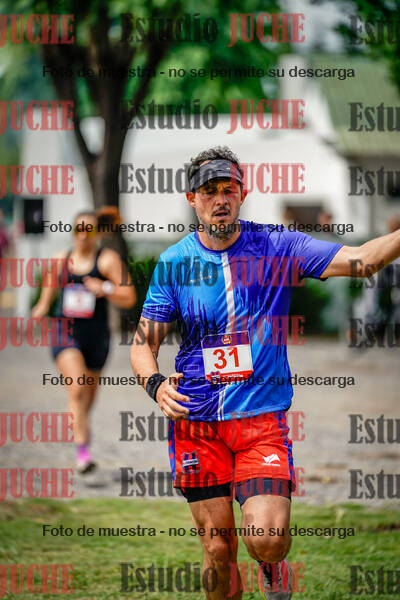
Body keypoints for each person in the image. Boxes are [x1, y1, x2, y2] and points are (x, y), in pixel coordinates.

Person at [130, 146, 400, 599]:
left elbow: (363, 260)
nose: (220, 199)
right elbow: (143, 343)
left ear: (243, 193)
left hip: (260, 422)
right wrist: (155, 385)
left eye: (228, 189)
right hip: (197, 423)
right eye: (209, 191)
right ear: (192, 199)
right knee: (218, 549)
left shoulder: (278, 246)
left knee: (268, 540)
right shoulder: (175, 263)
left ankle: (272, 566)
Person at [32, 211, 136, 473]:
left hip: (97, 336)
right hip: (65, 332)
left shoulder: (107, 260)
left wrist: (106, 288)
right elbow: (49, 287)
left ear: (97, 233)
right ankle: (82, 452)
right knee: (77, 388)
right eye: (77, 229)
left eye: (88, 230)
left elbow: (129, 297)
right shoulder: (61, 259)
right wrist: (41, 307)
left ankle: (80, 427)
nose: (82, 235)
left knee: (86, 397)